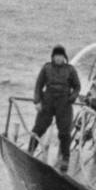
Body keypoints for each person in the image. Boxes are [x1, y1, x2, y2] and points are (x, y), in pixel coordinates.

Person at [29, 45, 81, 173]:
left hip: (64, 103)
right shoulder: (46, 68)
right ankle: (30, 150)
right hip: (48, 101)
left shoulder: (70, 70)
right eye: (56, 56)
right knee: (39, 127)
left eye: (61, 56)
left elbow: (77, 87)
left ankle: (65, 159)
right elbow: (38, 85)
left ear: (64, 57)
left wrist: (72, 98)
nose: (59, 58)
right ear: (53, 57)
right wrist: (37, 101)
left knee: (64, 133)